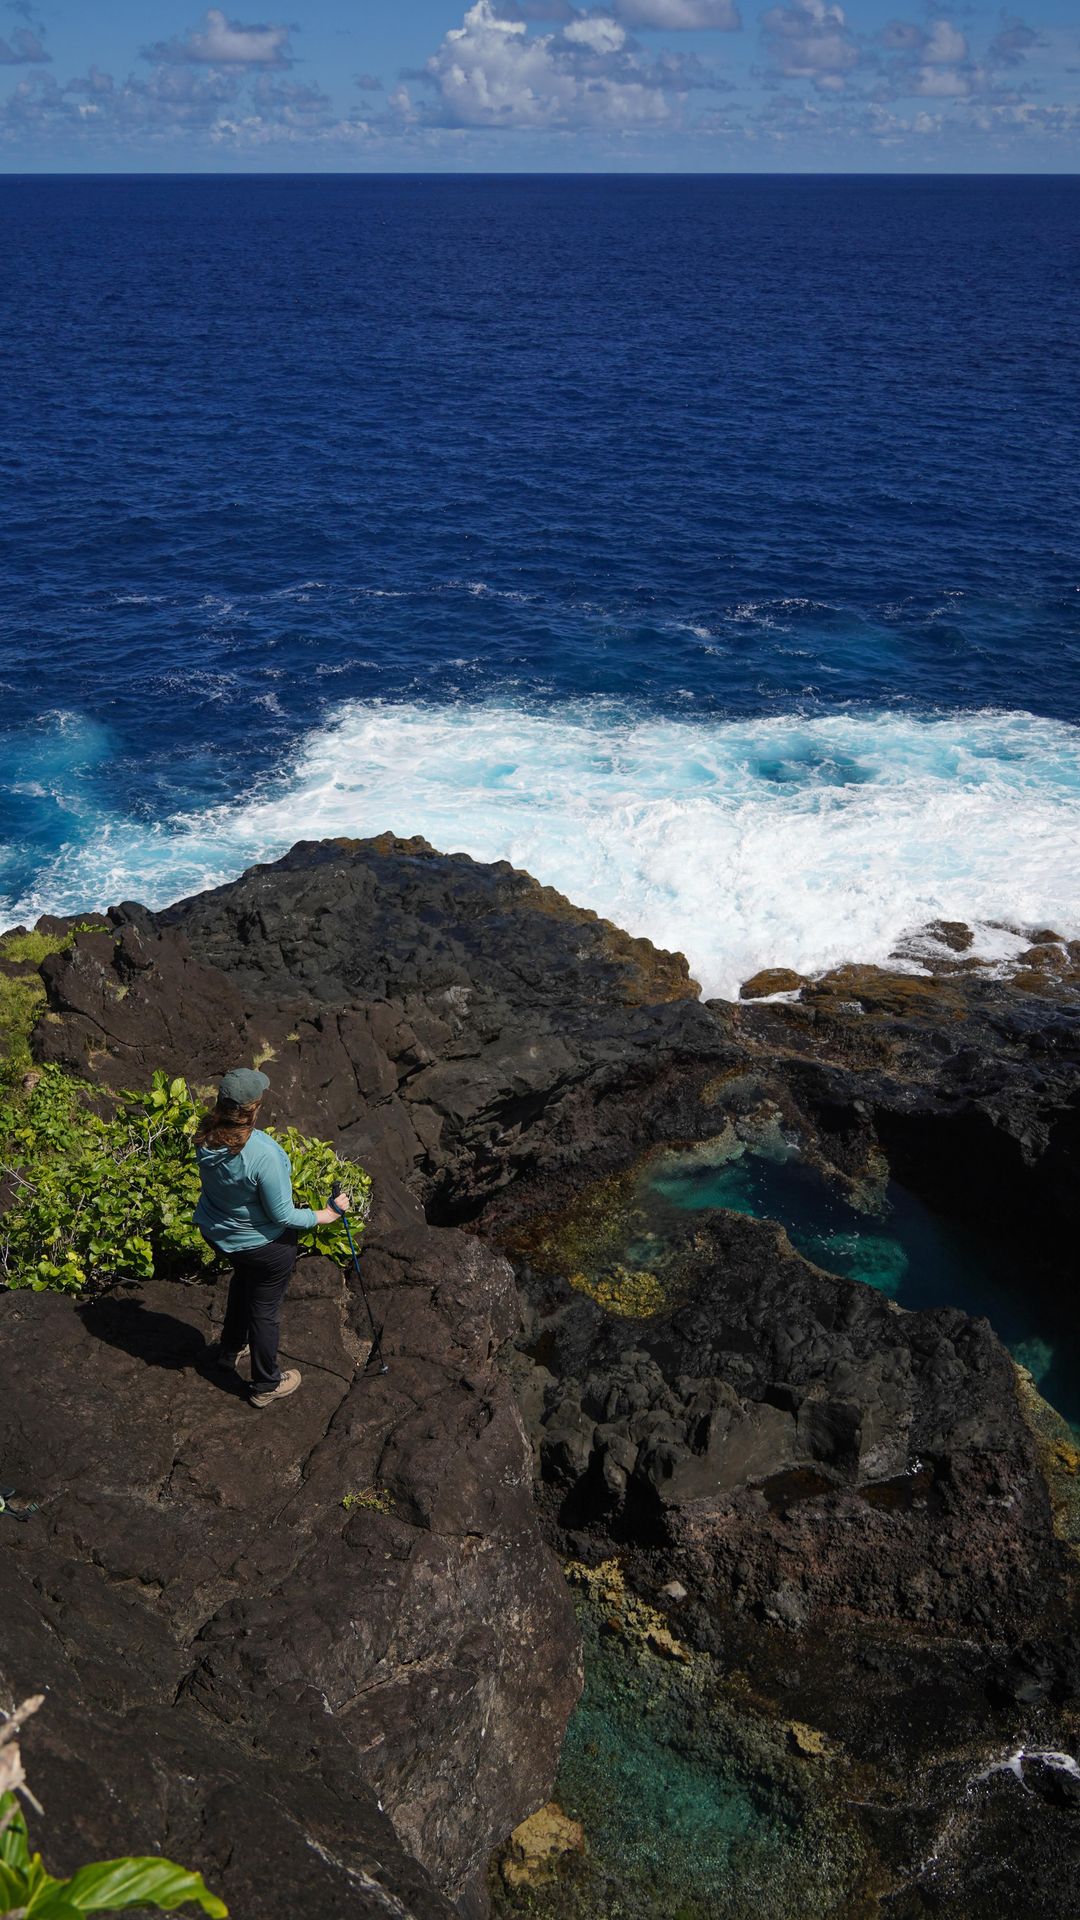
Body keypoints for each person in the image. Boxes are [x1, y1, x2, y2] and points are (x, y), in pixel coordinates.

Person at [193, 1067, 349, 1408]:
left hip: (219, 1234)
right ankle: (266, 1384)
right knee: (264, 1309)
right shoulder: (262, 1153)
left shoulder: (205, 1133)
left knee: (243, 1283)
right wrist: (327, 1215)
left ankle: (231, 1348)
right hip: (263, 1246)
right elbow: (282, 1215)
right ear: (253, 1108)